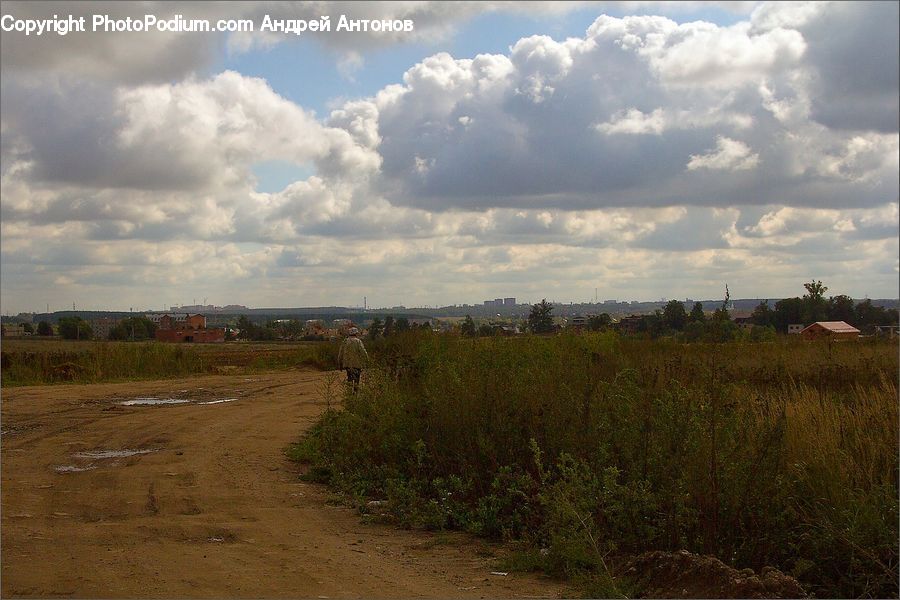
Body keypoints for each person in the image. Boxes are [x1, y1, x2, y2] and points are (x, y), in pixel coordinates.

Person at [337, 326, 368, 392]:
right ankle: (355, 395)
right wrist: (367, 360)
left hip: (347, 364)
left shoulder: (345, 341)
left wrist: (340, 363)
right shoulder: (358, 341)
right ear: (356, 333)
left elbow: (340, 353)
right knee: (357, 379)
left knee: (349, 378)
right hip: (357, 364)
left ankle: (349, 395)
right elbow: (363, 351)